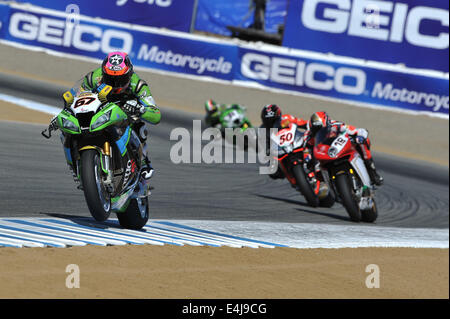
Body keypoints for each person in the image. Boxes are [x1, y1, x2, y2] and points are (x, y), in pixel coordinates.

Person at [52, 51, 161, 181]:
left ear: (129, 74)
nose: (115, 84)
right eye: (110, 79)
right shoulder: (93, 78)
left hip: (125, 111)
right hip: (101, 109)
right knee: (66, 131)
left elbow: (156, 115)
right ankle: (74, 165)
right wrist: (67, 110)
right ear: (104, 73)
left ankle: (143, 162)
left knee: (139, 126)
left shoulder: (138, 85)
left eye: (121, 79)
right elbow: (78, 98)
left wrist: (140, 109)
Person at [302, 111, 384, 186]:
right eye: (315, 129)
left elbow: (357, 131)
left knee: (364, 142)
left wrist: (360, 136)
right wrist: (307, 160)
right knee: (312, 169)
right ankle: (324, 187)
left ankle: (372, 171)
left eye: (320, 129)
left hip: (338, 148)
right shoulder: (308, 135)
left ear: (326, 123)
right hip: (322, 155)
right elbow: (305, 150)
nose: (318, 131)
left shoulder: (336, 125)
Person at [260, 104, 309, 179]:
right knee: (273, 172)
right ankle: (291, 176)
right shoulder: (263, 129)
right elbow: (264, 146)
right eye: (267, 121)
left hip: (296, 141)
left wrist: (309, 126)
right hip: (279, 150)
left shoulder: (287, 118)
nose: (271, 124)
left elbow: (303, 123)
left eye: (273, 121)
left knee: (312, 142)